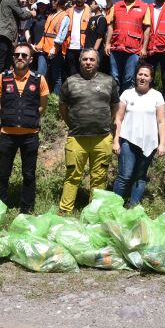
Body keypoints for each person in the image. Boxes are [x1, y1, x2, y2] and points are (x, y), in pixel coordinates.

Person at [58, 48, 120, 213]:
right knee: (72, 176)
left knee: (99, 178)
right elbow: (63, 107)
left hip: (102, 138)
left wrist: (107, 122)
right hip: (77, 138)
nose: (88, 62)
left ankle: (94, 213)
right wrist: (72, 124)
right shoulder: (70, 82)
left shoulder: (109, 81)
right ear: (80, 61)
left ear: (97, 62)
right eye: (85, 59)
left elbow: (115, 106)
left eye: (92, 59)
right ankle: (65, 211)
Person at [0, 44, 49, 213]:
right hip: (7, 134)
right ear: (13, 57)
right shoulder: (3, 77)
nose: (20, 57)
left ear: (31, 59)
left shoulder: (39, 79)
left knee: (29, 174)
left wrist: (27, 118)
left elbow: (43, 106)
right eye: (17, 54)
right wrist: (9, 116)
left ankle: (27, 209)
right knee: (3, 174)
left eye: (24, 55)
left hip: (30, 136)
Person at [112, 62, 165, 206]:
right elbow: (118, 118)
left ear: (151, 78)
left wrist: (162, 144)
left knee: (140, 177)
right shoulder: (127, 94)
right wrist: (116, 140)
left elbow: (161, 122)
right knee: (125, 175)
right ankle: (113, 206)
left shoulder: (157, 96)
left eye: (146, 75)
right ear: (136, 76)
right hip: (128, 140)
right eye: (140, 74)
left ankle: (133, 207)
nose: (142, 77)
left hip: (150, 142)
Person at [0, 0, 37, 88]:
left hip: (0, 35)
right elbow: (22, 14)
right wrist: (31, 13)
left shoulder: (2, 1)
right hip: (4, 35)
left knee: (1, 63)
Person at [105, 0, 150, 93]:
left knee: (129, 78)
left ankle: (127, 106)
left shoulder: (144, 7)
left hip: (133, 50)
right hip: (116, 48)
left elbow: (147, 29)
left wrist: (144, 48)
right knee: (114, 77)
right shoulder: (116, 6)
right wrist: (107, 44)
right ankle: (115, 105)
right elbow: (110, 26)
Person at [34, 0, 69, 93]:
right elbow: (45, 33)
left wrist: (55, 48)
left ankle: (55, 100)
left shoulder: (65, 16)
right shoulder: (51, 14)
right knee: (40, 74)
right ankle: (38, 96)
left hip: (55, 51)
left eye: (54, 0)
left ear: (59, 2)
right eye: (52, 0)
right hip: (43, 48)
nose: (52, 2)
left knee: (56, 77)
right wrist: (39, 45)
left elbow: (61, 35)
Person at [63, 0, 92, 77]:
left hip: (83, 47)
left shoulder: (90, 12)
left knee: (84, 73)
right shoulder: (68, 11)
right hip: (69, 47)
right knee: (71, 73)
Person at [84, 0, 109, 73]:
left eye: (93, 3)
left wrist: (94, 51)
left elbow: (100, 37)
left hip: (95, 51)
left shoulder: (101, 19)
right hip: (87, 49)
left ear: (98, 5)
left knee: (95, 71)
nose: (91, 5)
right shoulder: (92, 18)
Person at [29, 0, 50, 73]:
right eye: (40, 4)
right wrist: (30, 44)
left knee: (41, 72)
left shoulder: (49, 17)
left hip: (43, 50)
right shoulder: (33, 17)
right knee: (31, 72)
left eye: (44, 4)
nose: (42, 6)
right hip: (32, 49)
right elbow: (26, 30)